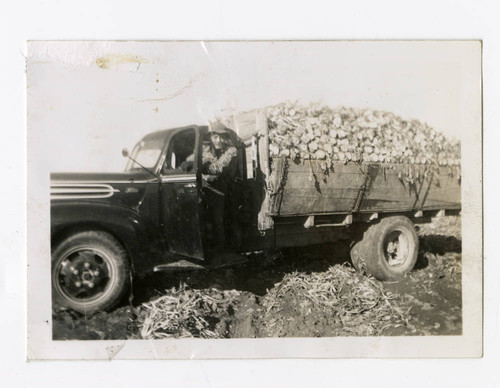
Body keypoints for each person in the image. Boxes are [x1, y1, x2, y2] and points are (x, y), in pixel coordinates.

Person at [202, 125, 238, 253]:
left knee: (219, 221)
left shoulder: (231, 150)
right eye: (215, 137)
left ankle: (222, 251)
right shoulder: (208, 150)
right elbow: (203, 160)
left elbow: (217, 168)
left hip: (228, 190)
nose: (218, 140)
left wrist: (203, 169)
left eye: (221, 137)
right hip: (213, 189)